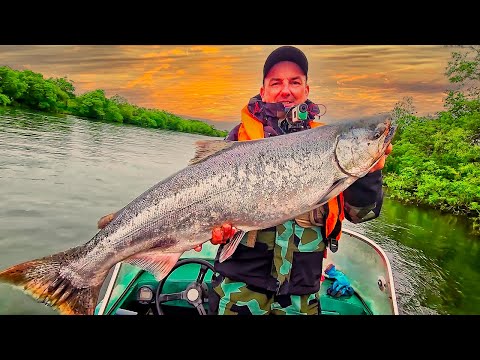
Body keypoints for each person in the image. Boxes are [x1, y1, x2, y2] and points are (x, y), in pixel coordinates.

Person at [97, 46, 392, 316]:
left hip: (303, 295)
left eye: (294, 82)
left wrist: (372, 169)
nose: (285, 90)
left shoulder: (328, 143)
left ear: (306, 89)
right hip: (238, 290)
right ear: (263, 90)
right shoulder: (238, 140)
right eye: (276, 82)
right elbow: (208, 217)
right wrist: (216, 231)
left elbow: (360, 213)